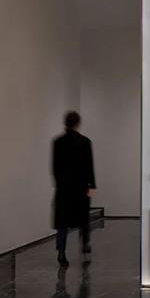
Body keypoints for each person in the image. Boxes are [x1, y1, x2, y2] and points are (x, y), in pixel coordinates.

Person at [52, 111, 96, 267]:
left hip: (63, 189)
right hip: (80, 189)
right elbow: (89, 167)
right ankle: (85, 245)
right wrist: (92, 187)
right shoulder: (85, 142)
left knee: (62, 223)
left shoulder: (58, 142)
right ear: (78, 123)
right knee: (83, 219)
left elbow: (55, 168)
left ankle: (61, 252)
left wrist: (59, 184)